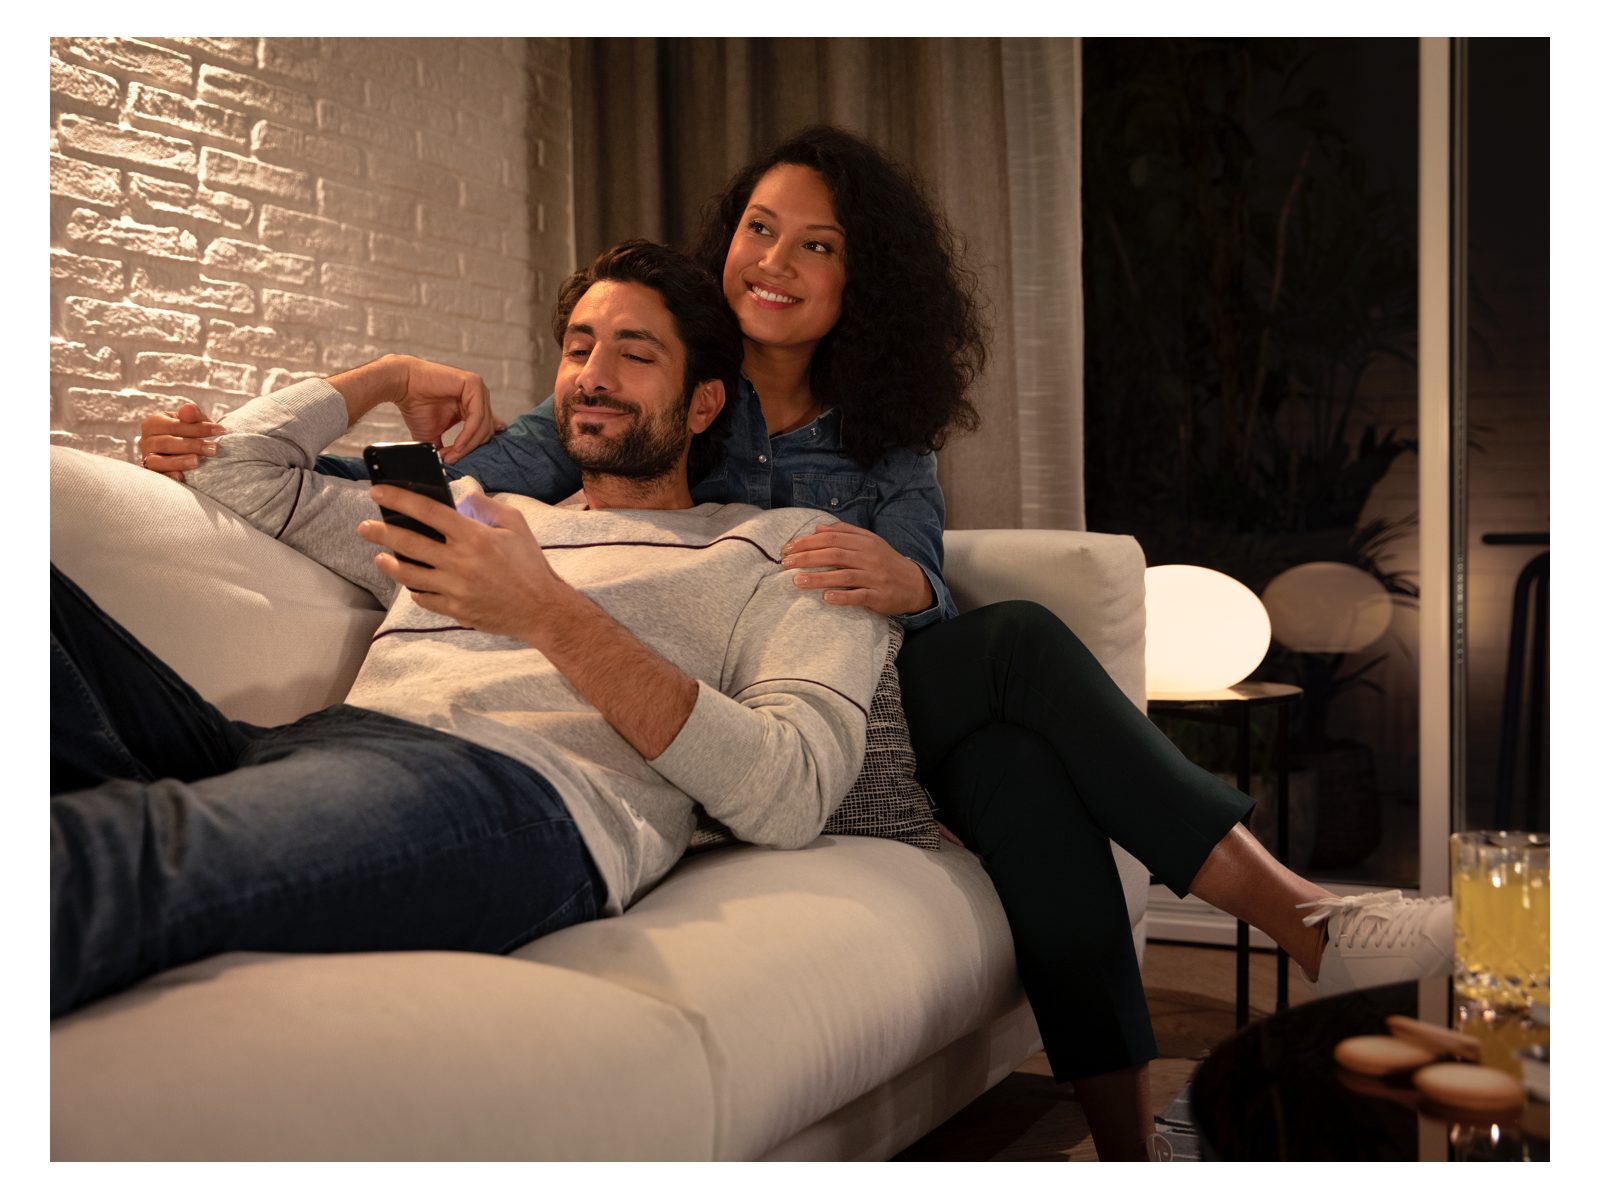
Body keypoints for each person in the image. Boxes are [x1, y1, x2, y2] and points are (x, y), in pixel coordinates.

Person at [132, 126, 1451, 1160]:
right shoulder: (635, 395)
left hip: (857, 692)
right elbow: (494, 485)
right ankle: (1298, 920)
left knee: (1018, 711)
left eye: (814, 247)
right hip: (728, 710)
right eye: (760, 229)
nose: (773, 259)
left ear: (855, 285)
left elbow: (920, 575)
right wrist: (282, 437)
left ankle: (1129, 1135)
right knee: (1028, 700)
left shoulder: (878, 434)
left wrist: (906, 581)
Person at [52, 240, 891, 1020]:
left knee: (123, 854)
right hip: (307, 748)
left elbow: (793, 794)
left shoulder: (788, 550)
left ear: (704, 402)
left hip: (520, 791)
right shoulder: (484, 512)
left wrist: (547, 612)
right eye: (577, 347)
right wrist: (387, 375)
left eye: (635, 355)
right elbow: (232, 467)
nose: (593, 377)